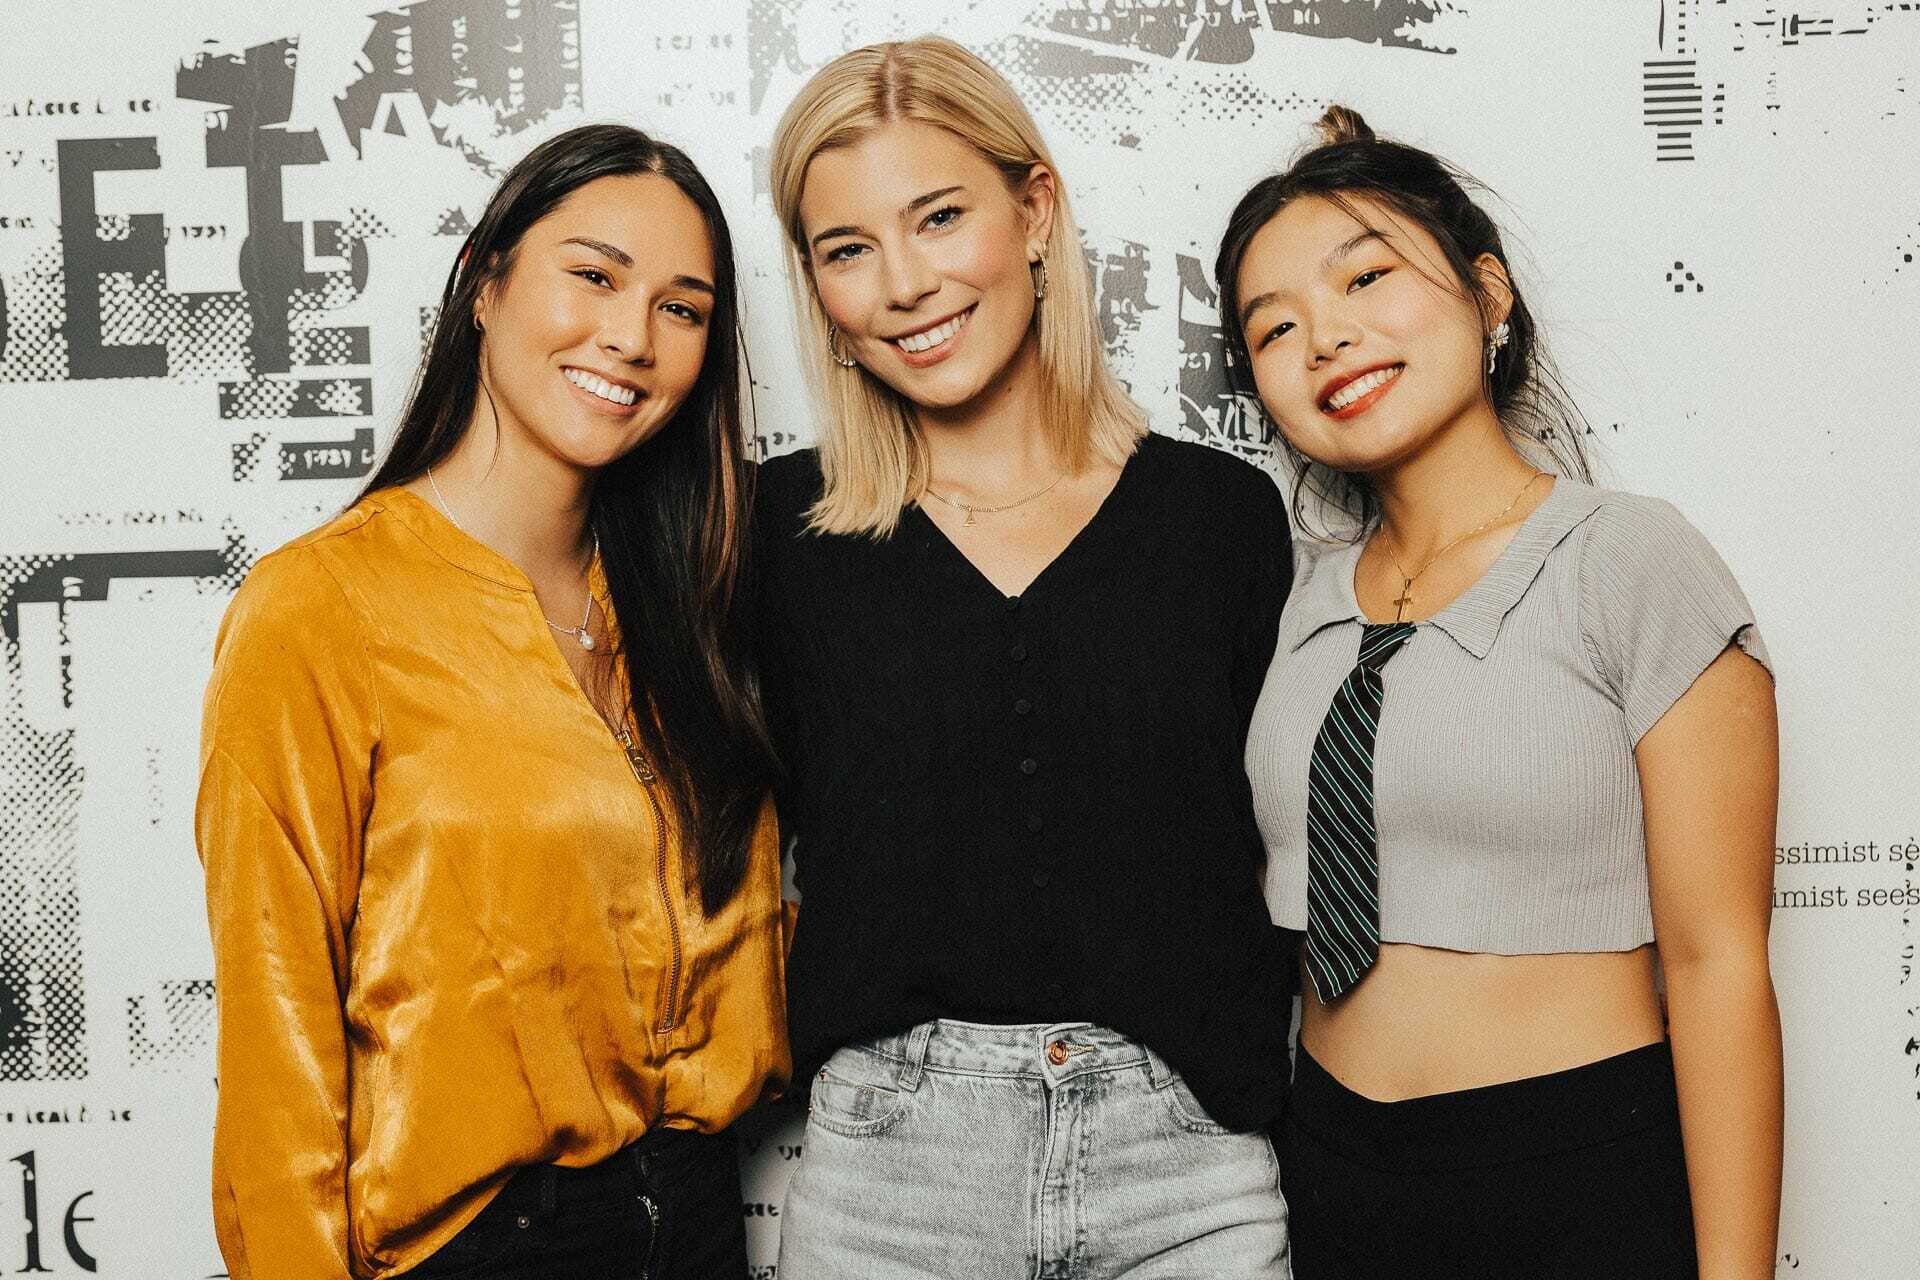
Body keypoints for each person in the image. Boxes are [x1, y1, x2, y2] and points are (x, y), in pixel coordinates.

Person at [195, 123, 786, 1279]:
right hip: (481, 1247)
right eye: (595, 275)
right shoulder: (323, 606)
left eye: (683, 307)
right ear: (485, 282)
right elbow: (277, 1045)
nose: (632, 335)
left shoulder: (691, 606)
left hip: (696, 1221)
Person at [758, 36, 1296, 1279]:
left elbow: (1287, 854)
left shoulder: (1218, 518)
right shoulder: (777, 538)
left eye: (939, 217)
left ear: (1035, 209)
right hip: (893, 1175)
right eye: (850, 249)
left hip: (1191, 1169)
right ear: (818, 286)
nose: (905, 283)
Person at [1217, 107, 1783, 1278]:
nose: (1327, 337)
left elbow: (1718, 962)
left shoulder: (1628, 559)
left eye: (1367, 276)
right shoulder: (1294, 602)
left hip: (1570, 1168)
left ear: (1489, 293)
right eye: (1276, 329)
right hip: (1330, 1171)